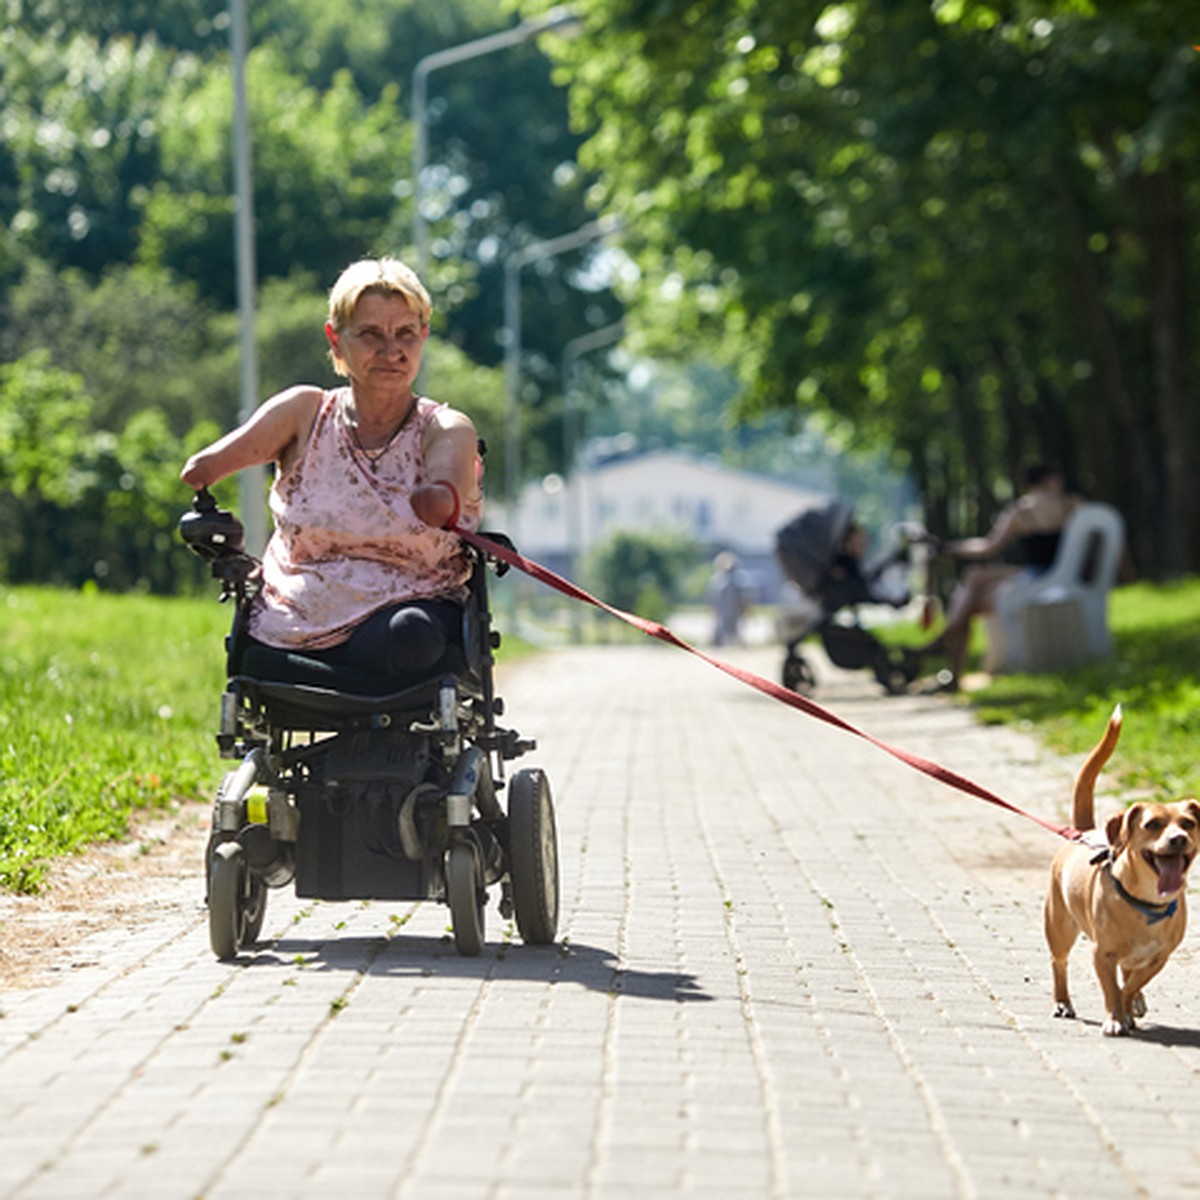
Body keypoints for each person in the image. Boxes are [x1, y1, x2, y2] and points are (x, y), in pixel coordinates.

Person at [180, 256, 483, 685]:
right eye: (370, 334)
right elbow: (203, 469)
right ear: (336, 339)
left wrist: (439, 498)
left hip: (406, 610)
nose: (391, 350)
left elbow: (446, 486)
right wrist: (205, 480)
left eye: (406, 335)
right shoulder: (304, 412)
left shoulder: (444, 427)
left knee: (410, 637)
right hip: (295, 616)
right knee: (256, 653)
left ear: (423, 338)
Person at [921, 462, 1081, 690]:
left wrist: (947, 547)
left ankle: (950, 649)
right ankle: (948, 643)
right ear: (1052, 479)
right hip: (1060, 574)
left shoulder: (1021, 511)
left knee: (974, 583)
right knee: (975, 579)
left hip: (1038, 576)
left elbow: (988, 546)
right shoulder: (1074, 505)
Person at [709, 551, 751, 646]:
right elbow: (713, 598)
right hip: (723, 610)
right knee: (721, 629)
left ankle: (738, 646)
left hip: (734, 609)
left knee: (734, 629)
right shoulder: (717, 579)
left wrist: (745, 609)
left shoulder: (739, 579)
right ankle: (720, 645)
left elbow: (744, 597)